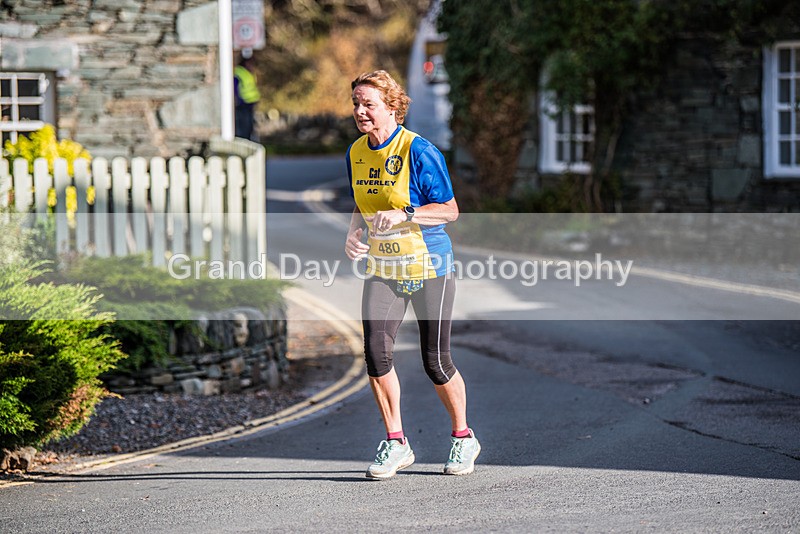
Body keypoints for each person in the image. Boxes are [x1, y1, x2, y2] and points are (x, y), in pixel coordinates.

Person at [344, 70, 480, 479]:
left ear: (391, 107)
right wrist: (353, 231)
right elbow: (362, 203)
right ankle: (396, 442)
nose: (360, 111)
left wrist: (405, 213)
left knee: (435, 361)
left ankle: (462, 437)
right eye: (356, 104)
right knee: (375, 352)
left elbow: (450, 210)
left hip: (429, 266)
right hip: (383, 267)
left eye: (368, 104)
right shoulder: (356, 152)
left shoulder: (419, 152)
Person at [233, 50, 261, 140]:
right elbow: (235, 88)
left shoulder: (247, 73)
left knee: (248, 128)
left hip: (248, 106)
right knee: (243, 130)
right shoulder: (239, 72)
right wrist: (238, 101)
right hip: (242, 106)